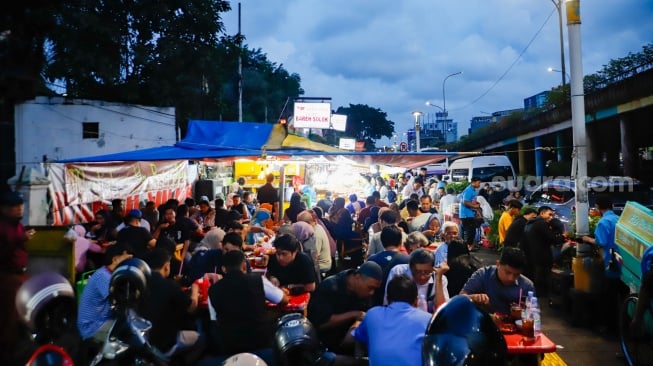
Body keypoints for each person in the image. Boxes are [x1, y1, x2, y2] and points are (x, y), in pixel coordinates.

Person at [208, 250, 288, 357]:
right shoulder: (257, 280)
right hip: (260, 340)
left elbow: (214, 320)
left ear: (223, 269)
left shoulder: (213, 290)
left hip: (231, 346)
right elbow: (283, 300)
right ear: (244, 266)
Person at [353, 274, 432, 366]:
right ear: (416, 301)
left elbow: (358, 339)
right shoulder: (428, 320)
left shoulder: (372, 314)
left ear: (387, 299)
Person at [139, 249, 203, 360]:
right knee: (203, 339)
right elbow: (191, 308)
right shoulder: (170, 285)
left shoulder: (139, 282)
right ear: (166, 266)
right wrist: (195, 290)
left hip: (140, 338)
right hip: (164, 343)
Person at [307, 261, 383, 354]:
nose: (372, 292)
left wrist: (354, 328)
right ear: (357, 277)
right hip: (325, 347)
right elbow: (321, 323)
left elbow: (365, 315)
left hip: (350, 344)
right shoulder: (330, 287)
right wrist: (354, 315)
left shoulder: (365, 293)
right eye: (370, 288)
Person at [582, 195, 628, 334]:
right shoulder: (618, 219)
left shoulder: (603, 222)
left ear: (597, 207)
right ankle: (625, 325)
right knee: (624, 295)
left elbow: (601, 242)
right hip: (623, 262)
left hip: (610, 263)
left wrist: (587, 239)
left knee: (609, 297)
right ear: (612, 206)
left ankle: (610, 327)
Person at [0, 191, 35, 362]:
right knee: (10, 318)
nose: (20, 209)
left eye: (21, 205)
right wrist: (20, 239)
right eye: (15, 206)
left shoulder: (18, 225)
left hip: (21, 274)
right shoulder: (3, 227)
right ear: (5, 209)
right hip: (9, 277)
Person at [77, 242, 133, 342]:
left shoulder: (108, 273)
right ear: (115, 259)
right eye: (127, 260)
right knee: (129, 333)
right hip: (92, 327)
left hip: (99, 321)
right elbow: (120, 300)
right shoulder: (104, 277)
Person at [461, 247, 535, 314]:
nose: (511, 278)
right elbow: (459, 299)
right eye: (507, 272)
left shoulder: (527, 286)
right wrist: (473, 297)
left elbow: (534, 315)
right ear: (498, 264)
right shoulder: (483, 275)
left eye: (516, 275)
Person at [385, 248, 450, 313]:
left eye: (427, 272)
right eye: (418, 272)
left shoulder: (439, 278)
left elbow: (442, 310)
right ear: (410, 268)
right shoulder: (398, 272)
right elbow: (388, 303)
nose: (422, 277)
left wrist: (438, 278)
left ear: (433, 269)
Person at [522, 205, 565, 296]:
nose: (551, 217)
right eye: (549, 214)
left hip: (532, 253)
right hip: (541, 254)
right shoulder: (541, 223)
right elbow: (552, 238)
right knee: (542, 274)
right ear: (542, 213)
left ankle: (537, 292)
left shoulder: (532, 222)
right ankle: (541, 294)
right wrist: (563, 236)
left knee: (537, 273)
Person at [366, 225, 410, 306]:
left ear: (382, 242)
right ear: (400, 242)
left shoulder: (372, 260)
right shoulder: (408, 260)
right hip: (401, 305)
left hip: (376, 305)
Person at [297, 210, 333, 276]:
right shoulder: (316, 226)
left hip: (321, 265)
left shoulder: (315, 234)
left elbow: (313, 257)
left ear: (306, 223)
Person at [460, 177, 482, 251]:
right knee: (470, 231)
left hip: (469, 213)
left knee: (471, 231)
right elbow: (465, 202)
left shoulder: (472, 190)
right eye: (478, 182)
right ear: (473, 182)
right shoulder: (469, 190)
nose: (479, 184)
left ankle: (470, 246)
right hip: (466, 214)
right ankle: (468, 247)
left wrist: (476, 210)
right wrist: (475, 206)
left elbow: (471, 201)